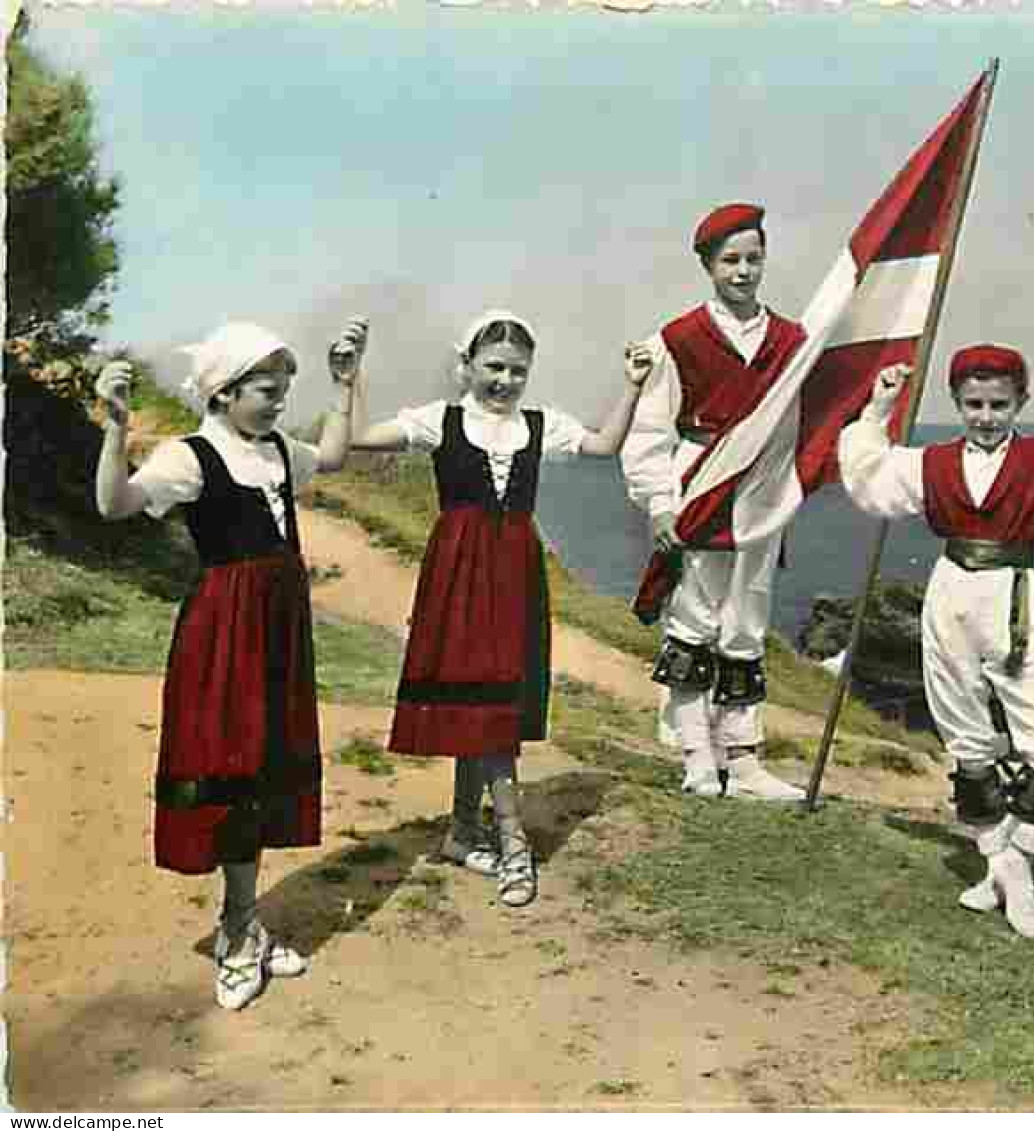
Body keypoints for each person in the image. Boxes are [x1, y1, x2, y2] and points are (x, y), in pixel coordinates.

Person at [838, 345, 1034, 938]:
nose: (985, 416)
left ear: (1021, 402)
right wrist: (878, 409)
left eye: (998, 404)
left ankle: (1017, 865)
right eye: (973, 404)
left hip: (1011, 594)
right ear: (958, 403)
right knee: (966, 736)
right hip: (950, 592)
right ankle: (1004, 866)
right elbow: (869, 479)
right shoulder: (932, 463)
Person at [94, 318, 367, 1010]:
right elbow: (114, 503)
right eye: (266, 391)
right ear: (222, 392)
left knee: (266, 763)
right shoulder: (192, 457)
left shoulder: (277, 449)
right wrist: (116, 428)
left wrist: (345, 382)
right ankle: (239, 930)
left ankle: (241, 920)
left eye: (282, 390)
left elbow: (332, 455)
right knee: (234, 764)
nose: (278, 403)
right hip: (224, 631)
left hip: (279, 631)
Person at [351, 310, 647, 908]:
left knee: (495, 701)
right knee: (477, 700)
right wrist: (351, 377)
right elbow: (358, 437)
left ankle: (465, 831)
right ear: (466, 366)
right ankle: (511, 844)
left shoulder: (541, 425)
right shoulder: (442, 419)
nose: (505, 381)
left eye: (517, 370)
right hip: (457, 574)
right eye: (493, 367)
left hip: (514, 574)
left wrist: (633, 383)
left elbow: (604, 445)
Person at [619, 202, 809, 802]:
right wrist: (659, 504)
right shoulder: (677, 339)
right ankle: (698, 756)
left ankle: (745, 759)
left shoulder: (792, 341)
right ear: (707, 265)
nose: (744, 271)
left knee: (745, 625)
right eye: (731, 260)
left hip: (759, 496)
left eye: (754, 258)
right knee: (693, 622)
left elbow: (810, 417)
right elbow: (650, 432)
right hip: (699, 485)